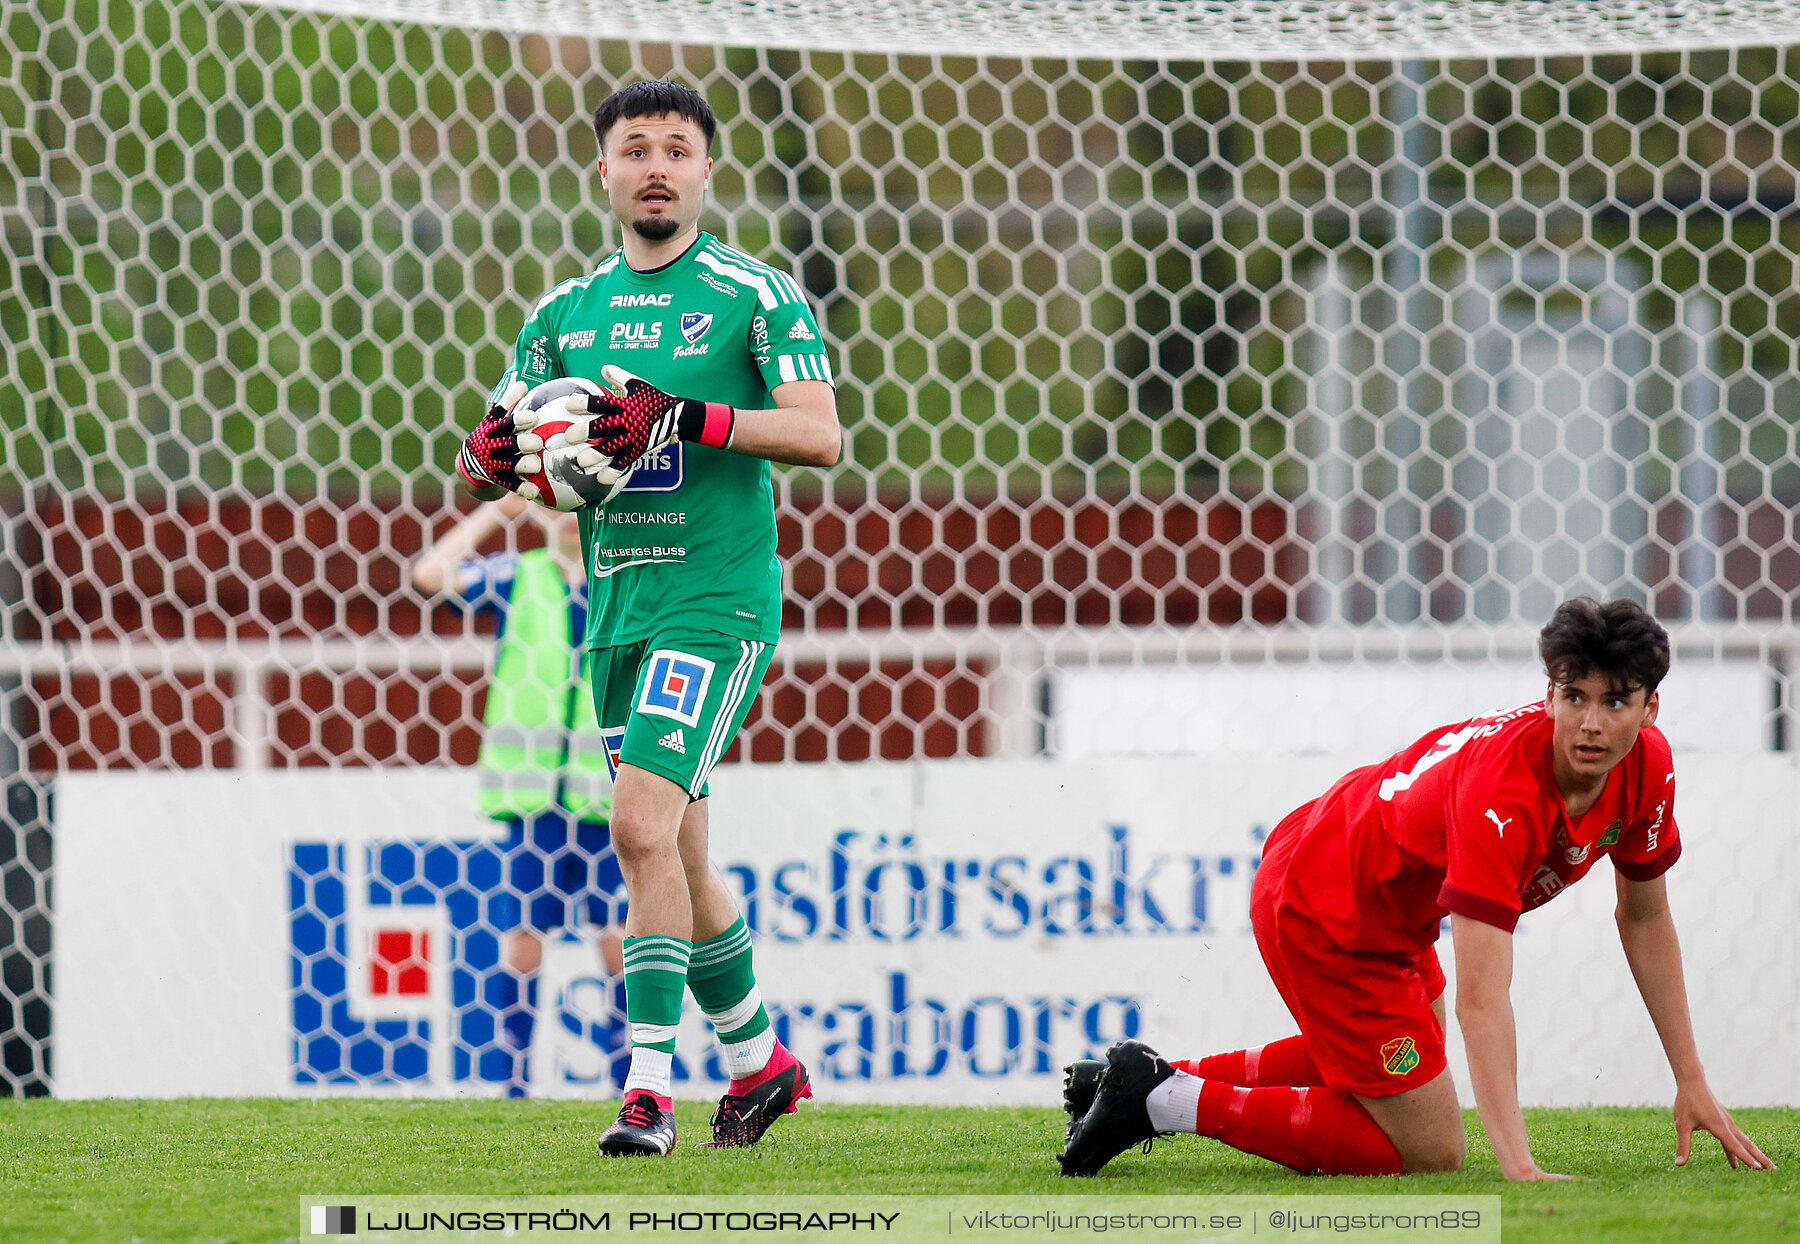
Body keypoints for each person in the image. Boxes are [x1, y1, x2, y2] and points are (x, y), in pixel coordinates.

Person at [1059, 597, 1776, 1181]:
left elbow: (1644, 918)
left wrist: (1692, 1077)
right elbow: (1482, 999)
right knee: (1430, 1150)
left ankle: (1142, 1078)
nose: (1591, 723)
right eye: (1574, 696)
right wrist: (1518, 1164)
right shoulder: (1505, 795)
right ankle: (1167, 1102)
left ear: (1650, 709)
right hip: (1326, 907)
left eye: (1616, 701)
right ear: (1549, 693)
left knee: (1408, 1052)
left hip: (1369, 889)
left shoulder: (1649, 768)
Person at [454, 79, 842, 1155]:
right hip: (614, 610)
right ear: (606, 172)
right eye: (637, 147)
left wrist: (682, 415)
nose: (657, 164)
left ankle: (647, 1094)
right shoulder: (559, 317)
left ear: (708, 171)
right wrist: (488, 461)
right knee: (682, 853)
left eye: (678, 147)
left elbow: (819, 437)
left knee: (633, 825)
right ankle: (761, 1060)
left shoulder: (755, 295)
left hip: (717, 602)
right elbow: (498, 444)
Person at [413, 494, 627, 1097]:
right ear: (535, 514)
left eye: (575, 504)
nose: (563, 516)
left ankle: (627, 1085)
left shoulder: (623, 577)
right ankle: (512, 1087)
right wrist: (497, 513)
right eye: (550, 504)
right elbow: (430, 575)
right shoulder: (519, 574)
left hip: (604, 792)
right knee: (526, 939)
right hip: (534, 796)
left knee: (616, 938)